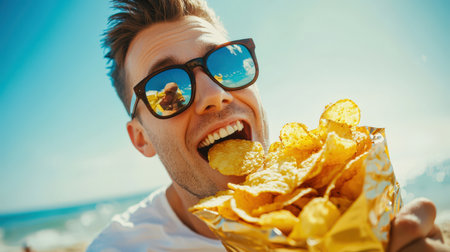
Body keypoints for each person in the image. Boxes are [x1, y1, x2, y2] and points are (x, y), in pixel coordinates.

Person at [88, 0, 449, 251]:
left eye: (225, 62)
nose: (214, 94)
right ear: (140, 139)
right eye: (169, 89)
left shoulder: (338, 196)